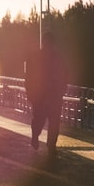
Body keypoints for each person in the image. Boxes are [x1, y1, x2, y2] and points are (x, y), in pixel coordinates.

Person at [25, 32, 69, 160]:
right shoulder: (57, 58)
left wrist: (30, 93)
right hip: (48, 96)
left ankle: (47, 144)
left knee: (44, 120)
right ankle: (44, 141)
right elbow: (66, 75)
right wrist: (62, 90)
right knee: (49, 121)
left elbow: (28, 78)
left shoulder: (35, 57)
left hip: (45, 96)